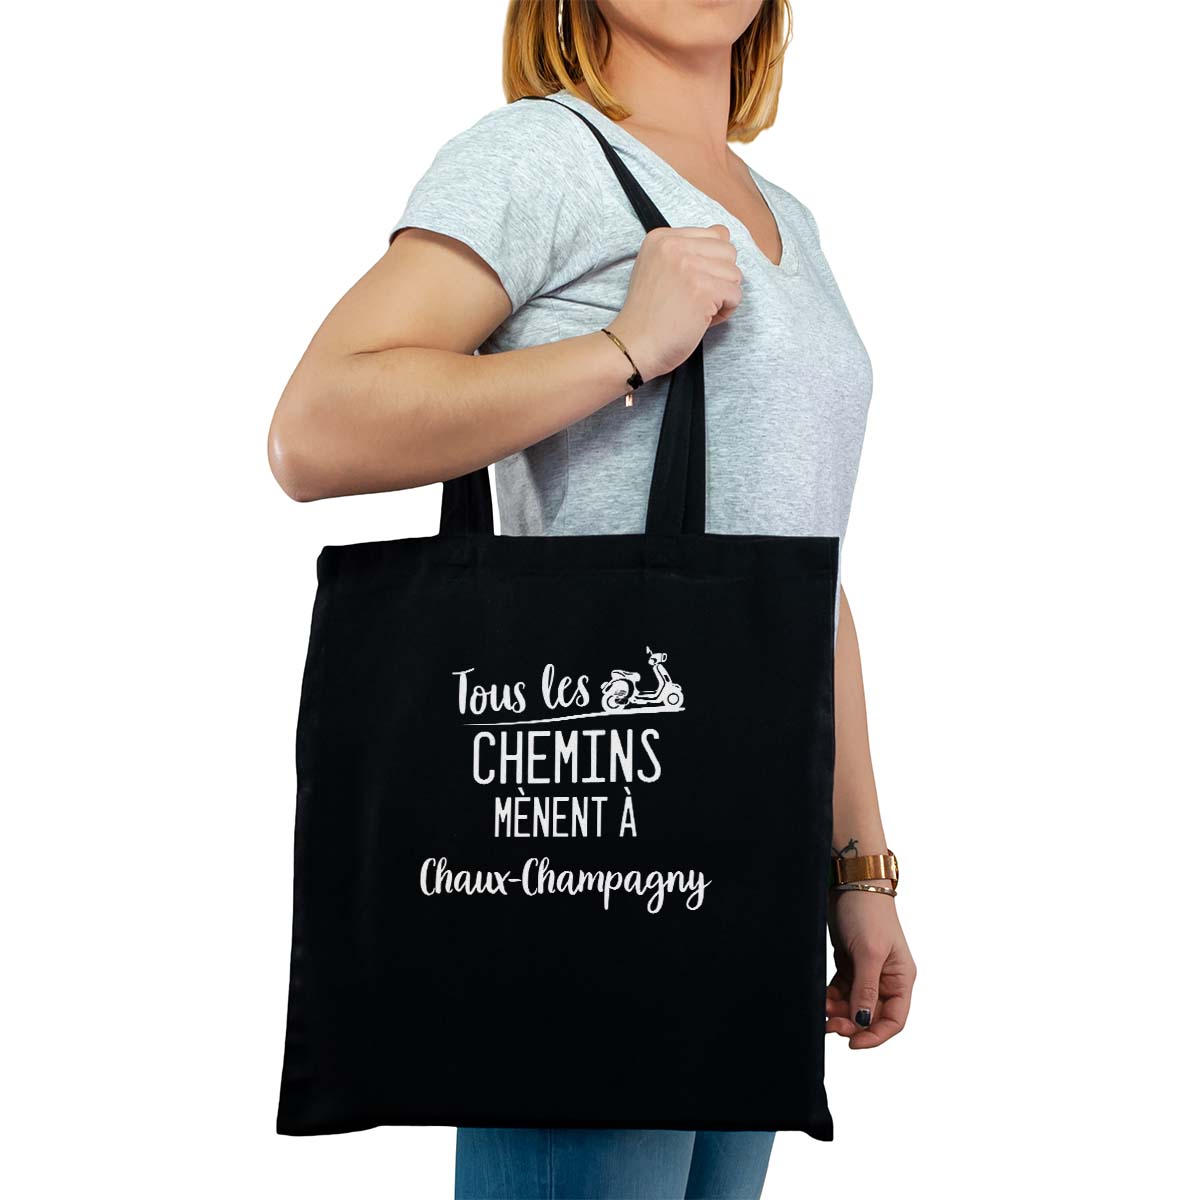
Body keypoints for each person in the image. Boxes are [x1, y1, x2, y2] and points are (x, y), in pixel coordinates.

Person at [267, 1, 916, 1196]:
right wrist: (624, 347)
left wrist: (854, 871)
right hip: (598, 835)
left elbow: (800, 578)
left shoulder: (795, 224)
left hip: (743, 861)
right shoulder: (542, 155)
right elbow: (314, 432)